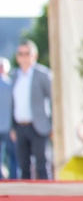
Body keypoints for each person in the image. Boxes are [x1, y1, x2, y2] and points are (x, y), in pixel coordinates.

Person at [9, 40, 52, 180]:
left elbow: (54, 99)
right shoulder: (15, 76)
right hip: (20, 128)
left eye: (27, 53)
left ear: (35, 55)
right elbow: (12, 103)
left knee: (42, 166)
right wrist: (12, 127)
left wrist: (51, 125)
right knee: (24, 168)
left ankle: (48, 199)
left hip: (38, 127)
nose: (24, 57)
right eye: (21, 53)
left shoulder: (43, 75)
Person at [0, 57, 19, 179]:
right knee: (13, 157)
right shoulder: (12, 86)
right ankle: (14, 181)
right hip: (9, 127)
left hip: (7, 127)